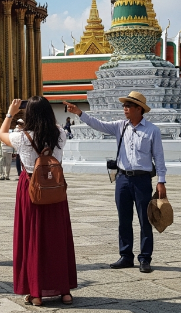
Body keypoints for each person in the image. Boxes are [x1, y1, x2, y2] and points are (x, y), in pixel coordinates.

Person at [65, 92, 167, 274]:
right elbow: (99, 125)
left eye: (128, 105)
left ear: (139, 109)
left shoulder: (152, 130)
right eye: (124, 105)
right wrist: (79, 113)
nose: (125, 109)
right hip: (123, 179)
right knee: (124, 219)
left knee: (145, 219)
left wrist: (161, 181)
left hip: (142, 179)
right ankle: (126, 255)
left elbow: (158, 157)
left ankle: (145, 258)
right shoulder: (120, 127)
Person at [0, 97, 75, 306]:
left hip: (31, 187)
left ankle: (36, 293)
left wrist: (10, 113)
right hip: (55, 188)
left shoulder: (22, 136)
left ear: (29, 115)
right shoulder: (60, 133)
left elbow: (1, 135)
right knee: (57, 238)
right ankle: (64, 291)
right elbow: (55, 128)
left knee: (32, 238)